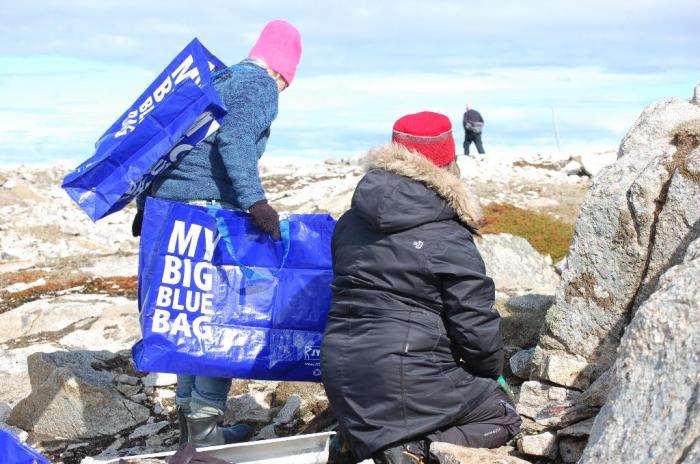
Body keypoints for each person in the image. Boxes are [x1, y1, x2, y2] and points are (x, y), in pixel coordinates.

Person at [132, 19, 302, 447]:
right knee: (217, 320)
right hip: (208, 214)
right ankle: (206, 436)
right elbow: (236, 143)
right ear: (284, 70)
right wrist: (255, 201)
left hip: (171, 211)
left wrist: (145, 205)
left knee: (187, 314)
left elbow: (165, 143)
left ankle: (193, 435)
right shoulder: (258, 85)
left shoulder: (215, 78)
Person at [321, 111, 521, 464]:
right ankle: (416, 451)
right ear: (448, 162)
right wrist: (491, 372)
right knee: (501, 412)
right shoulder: (448, 235)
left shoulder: (349, 221)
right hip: (405, 374)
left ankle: (360, 440)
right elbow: (474, 327)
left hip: (340, 371)